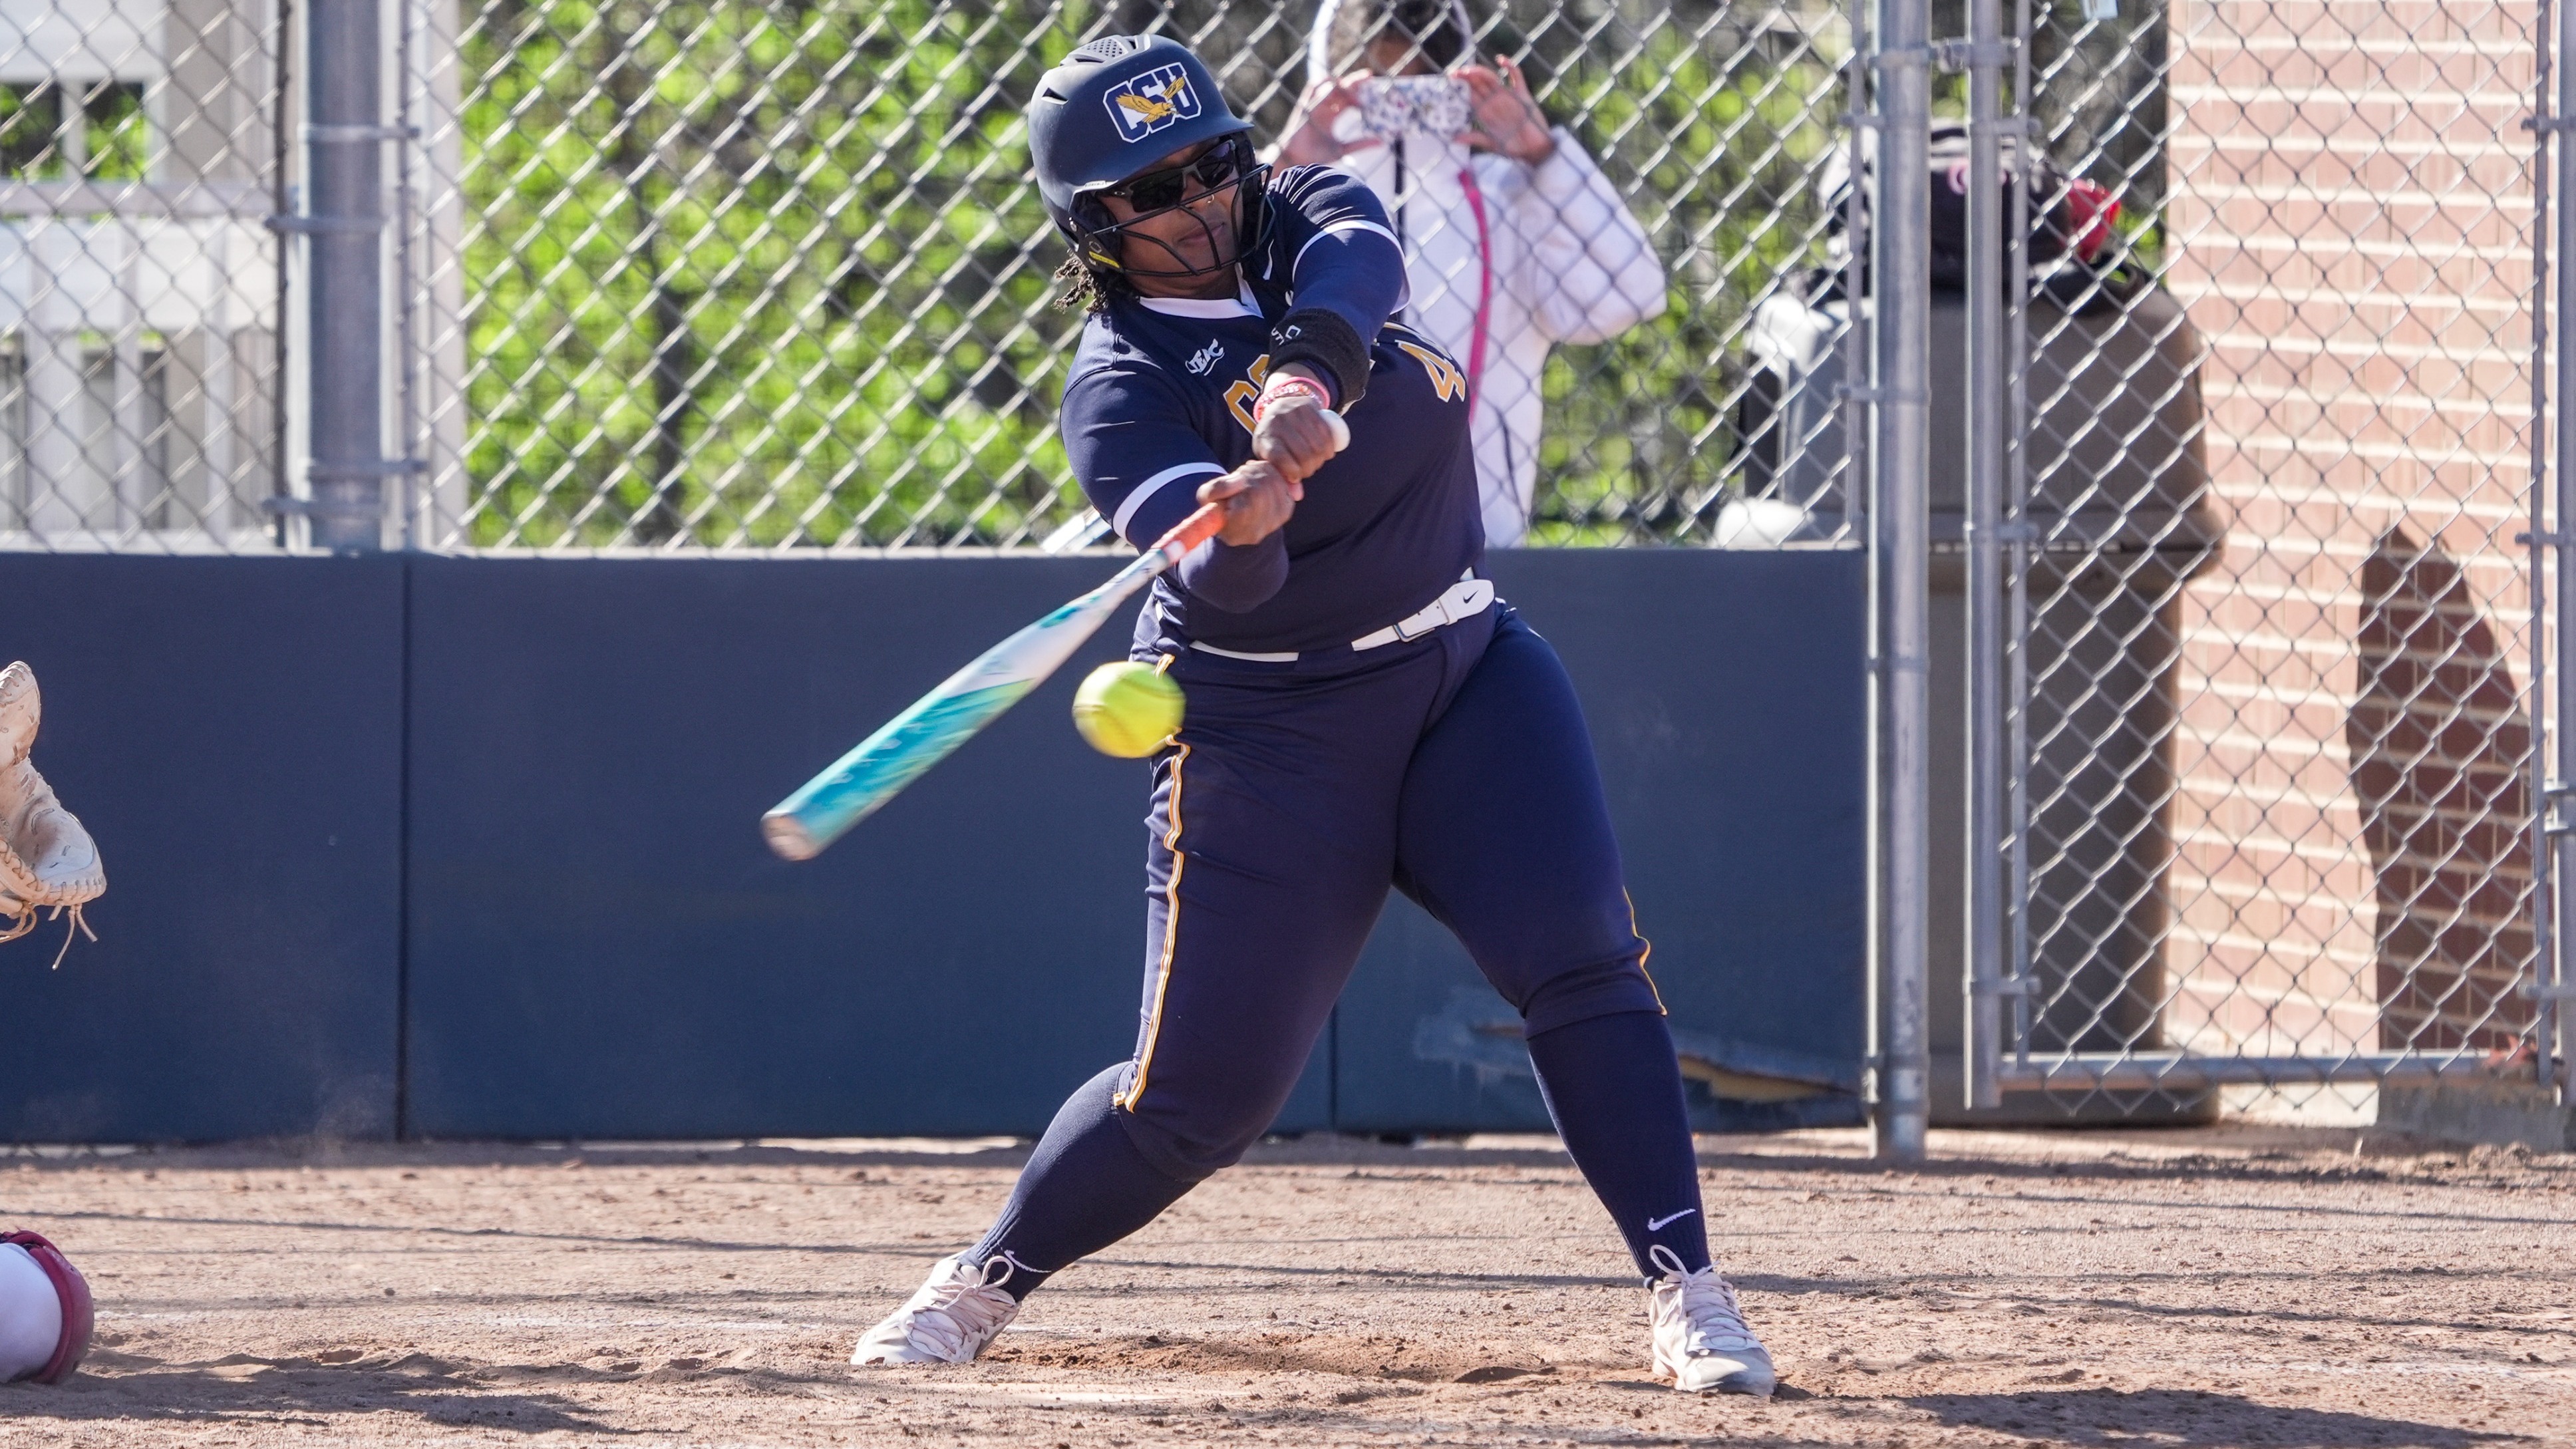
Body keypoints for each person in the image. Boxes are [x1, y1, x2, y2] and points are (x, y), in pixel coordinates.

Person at [848, 35, 1775, 1396]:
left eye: (1212, 160)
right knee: (1195, 1105)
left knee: (1583, 965)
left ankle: (1685, 1285)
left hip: (1465, 670)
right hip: (1267, 734)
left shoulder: (1300, 210)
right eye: (1155, 189)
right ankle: (983, 1278)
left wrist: (1300, 386)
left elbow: (1356, 267)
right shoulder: (1118, 391)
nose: (1205, 198)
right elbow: (1226, 588)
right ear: (1095, 229)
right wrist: (1242, 529)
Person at [1276, 0, 1667, 546]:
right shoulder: (1297, 206)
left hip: (1483, 540)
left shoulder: (1511, 196)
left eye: (1422, 84)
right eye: (1379, 87)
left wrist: (1544, 158)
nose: (1403, 104)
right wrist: (1290, 168)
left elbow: (1631, 296)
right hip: (1322, 546)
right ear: (1329, 83)